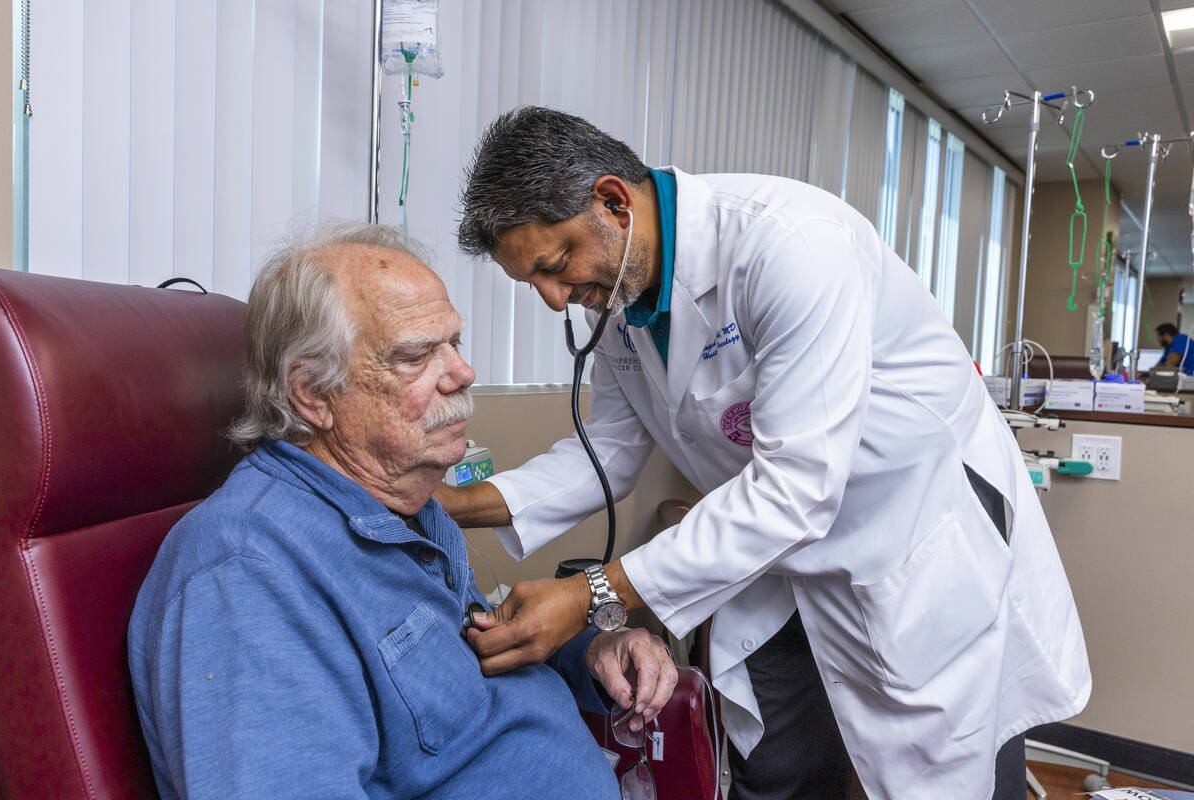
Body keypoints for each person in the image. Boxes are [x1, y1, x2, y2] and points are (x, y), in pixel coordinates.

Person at [436, 107, 1092, 800]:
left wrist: (590, 594)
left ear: (612, 201)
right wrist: (444, 502)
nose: (554, 299)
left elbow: (797, 489)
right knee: (777, 768)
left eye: (556, 265)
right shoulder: (625, 306)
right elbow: (608, 453)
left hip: (909, 533)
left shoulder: (793, 246)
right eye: (532, 283)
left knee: (950, 771)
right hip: (771, 554)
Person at [127, 222, 677, 800]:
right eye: (416, 356)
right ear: (313, 394)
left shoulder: (407, 508)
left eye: (454, 345)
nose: (463, 375)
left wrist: (587, 652)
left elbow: (443, 686)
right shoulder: (248, 577)